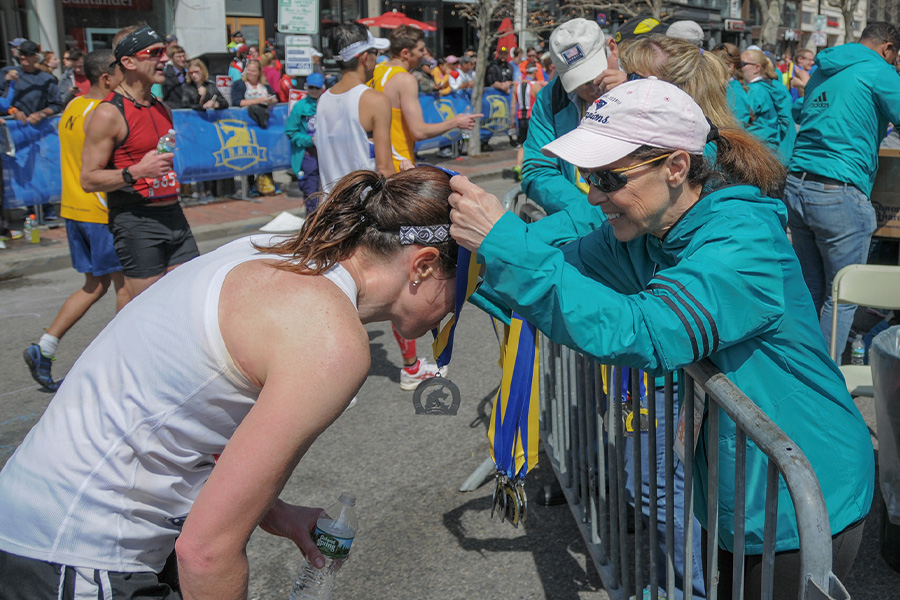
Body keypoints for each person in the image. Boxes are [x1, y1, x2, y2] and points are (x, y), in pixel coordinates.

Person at [449, 77, 872, 600]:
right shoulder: (650, 229)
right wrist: (450, 261)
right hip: (741, 490)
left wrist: (505, 247)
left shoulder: (743, 242)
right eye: (587, 176)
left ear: (676, 167)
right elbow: (549, 267)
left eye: (607, 176)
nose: (594, 194)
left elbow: (646, 330)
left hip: (802, 496)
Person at [0, 165, 461, 599]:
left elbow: (191, 401)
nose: (459, 307)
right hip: (78, 548)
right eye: (464, 287)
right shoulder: (330, 337)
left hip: (37, 519)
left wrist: (273, 511)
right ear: (422, 265)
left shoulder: (277, 248)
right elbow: (205, 552)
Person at [326, 23, 448, 390]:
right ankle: (411, 367)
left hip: (331, 206)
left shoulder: (323, 98)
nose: (377, 59)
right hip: (367, 209)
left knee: (340, 292)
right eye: (374, 53)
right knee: (401, 287)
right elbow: (383, 169)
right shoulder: (373, 100)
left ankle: (331, 375)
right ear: (364, 57)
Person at [784, 21, 900, 355]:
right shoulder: (878, 69)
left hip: (798, 184)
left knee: (811, 290)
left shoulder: (824, 68)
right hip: (838, 190)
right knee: (843, 295)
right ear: (888, 48)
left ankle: (802, 368)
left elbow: (806, 112)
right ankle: (823, 386)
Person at [22, 49, 129, 392]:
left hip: (73, 208)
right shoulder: (102, 113)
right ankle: (121, 365)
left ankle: (45, 346)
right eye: (119, 71)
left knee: (94, 286)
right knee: (125, 287)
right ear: (106, 77)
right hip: (99, 210)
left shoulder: (72, 106)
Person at [81, 25, 199, 302]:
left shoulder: (162, 108)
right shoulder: (109, 113)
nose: (165, 59)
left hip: (174, 214)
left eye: (165, 52)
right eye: (155, 53)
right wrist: (137, 172)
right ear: (129, 62)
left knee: (188, 295)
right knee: (147, 309)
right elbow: (88, 179)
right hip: (136, 220)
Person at [521, 18, 624, 215]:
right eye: (581, 82)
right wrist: (587, 213)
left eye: (596, 74)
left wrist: (634, 92)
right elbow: (539, 170)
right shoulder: (552, 98)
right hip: (581, 216)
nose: (594, 87)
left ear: (612, 48)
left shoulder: (644, 81)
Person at [371, 25, 480, 171]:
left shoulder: (378, 69)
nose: (425, 54)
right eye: (421, 49)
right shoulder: (404, 79)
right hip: (399, 165)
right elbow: (419, 131)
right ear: (405, 53)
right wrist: (456, 121)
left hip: (378, 162)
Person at [740, 48, 795, 163]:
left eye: (743, 63)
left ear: (757, 68)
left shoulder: (754, 90)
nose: (739, 67)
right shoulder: (771, 86)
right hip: (771, 148)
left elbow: (740, 121)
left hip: (756, 149)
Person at [285, 71, 324, 211]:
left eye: (317, 88)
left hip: (327, 154)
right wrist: (309, 140)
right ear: (307, 87)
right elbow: (290, 132)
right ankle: (312, 225)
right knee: (311, 194)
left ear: (323, 87)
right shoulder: (300, 107)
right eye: (311, 87)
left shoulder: (328, 104)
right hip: (308, 156)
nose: (314, 91)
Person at [712, 42, 753, 127]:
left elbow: (737, 130)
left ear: (730, 67)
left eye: (713, 66)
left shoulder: (735, 93)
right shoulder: (721, 88)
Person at [161, 44, 188, 109]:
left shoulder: (188, 74)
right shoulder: (166, 75)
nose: (182, 59)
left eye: (183, 56)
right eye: (178, 57)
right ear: (172, 58)